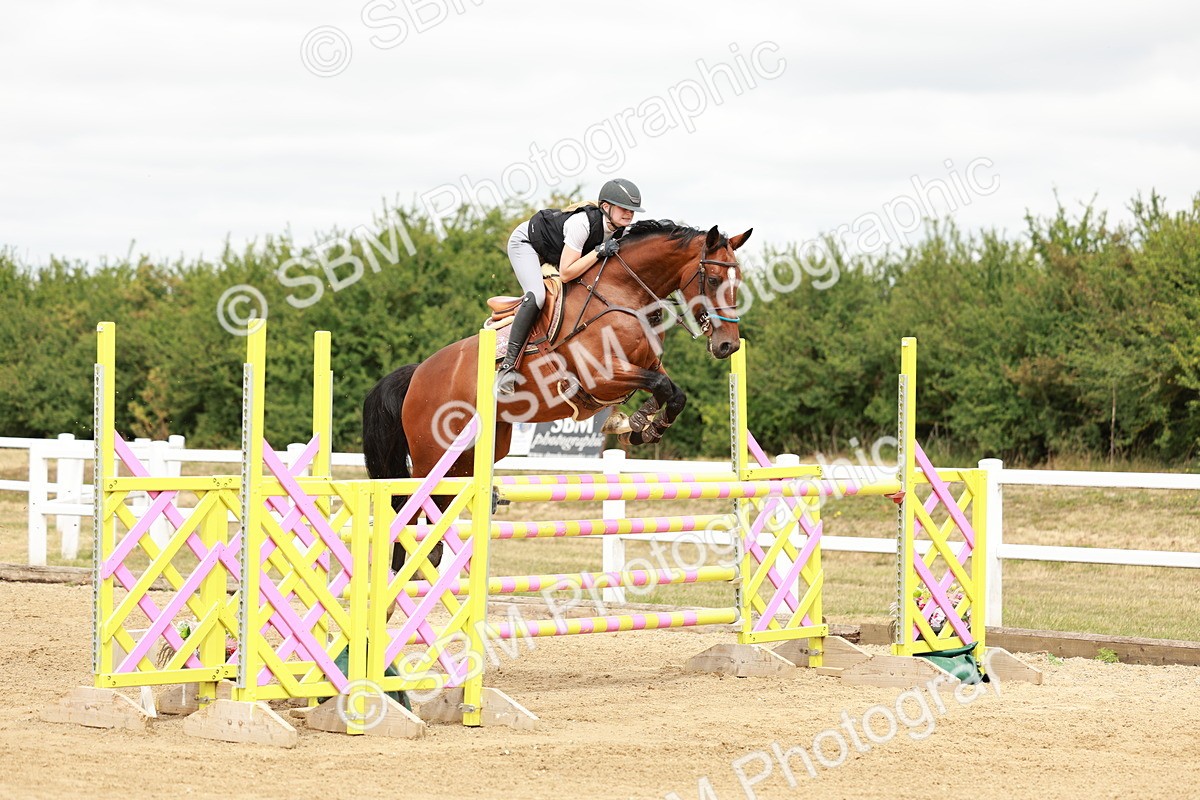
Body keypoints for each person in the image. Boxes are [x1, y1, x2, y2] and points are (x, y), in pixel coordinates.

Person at [497, 178, 644, 393]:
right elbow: (566, 273)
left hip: (557, 254)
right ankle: (508, 368)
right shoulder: (582, 223)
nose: (629, 214)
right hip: (527, 244)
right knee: (537, 296)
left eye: (632, 210)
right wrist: (598, 252)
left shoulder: (621, 230)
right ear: (605, 207)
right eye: (624, 208)